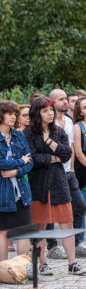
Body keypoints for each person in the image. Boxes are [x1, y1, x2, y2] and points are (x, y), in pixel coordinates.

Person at [24, 97, 86, 275]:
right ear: (37, 114)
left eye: (51, 109)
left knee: (67, 222)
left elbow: (66, 154)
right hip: (39, 183)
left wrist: (49, 142)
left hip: (59, 182)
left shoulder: (58, 132)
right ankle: (42, 263)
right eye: (45, 110)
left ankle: (72, 263)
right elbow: (32, 158)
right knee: (40, 225)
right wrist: (52, 158)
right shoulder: (27, 134)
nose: (50, 113)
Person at [0, 100, 33, 261]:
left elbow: (30, 162)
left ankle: (23, 266)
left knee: (24, 230)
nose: (13, 117)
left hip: (21, 190)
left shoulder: (19, 135)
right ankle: (4, 267)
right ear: (0, 115)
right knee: (3, 230)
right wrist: (21, 161)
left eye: (15, 114)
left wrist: (15, 170)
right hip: (1, 191)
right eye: (9, 113)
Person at [47, 89, 86, 258]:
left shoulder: (69, 122)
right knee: (48, 210)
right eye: (61, 99)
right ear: (52, 101)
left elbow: (70, 147)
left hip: (69, 173)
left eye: (65, 99)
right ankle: (52, 246)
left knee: (79, 206)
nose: (65, 102)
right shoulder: (48, 121)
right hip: (51, 172)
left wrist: (71, 169)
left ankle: (76, 242)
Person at [73, 97, 86, 250]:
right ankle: (79, 241)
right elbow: (78, 152)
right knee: (81, 206)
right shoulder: (78, 127)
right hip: (82, 170)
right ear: (80, 111)